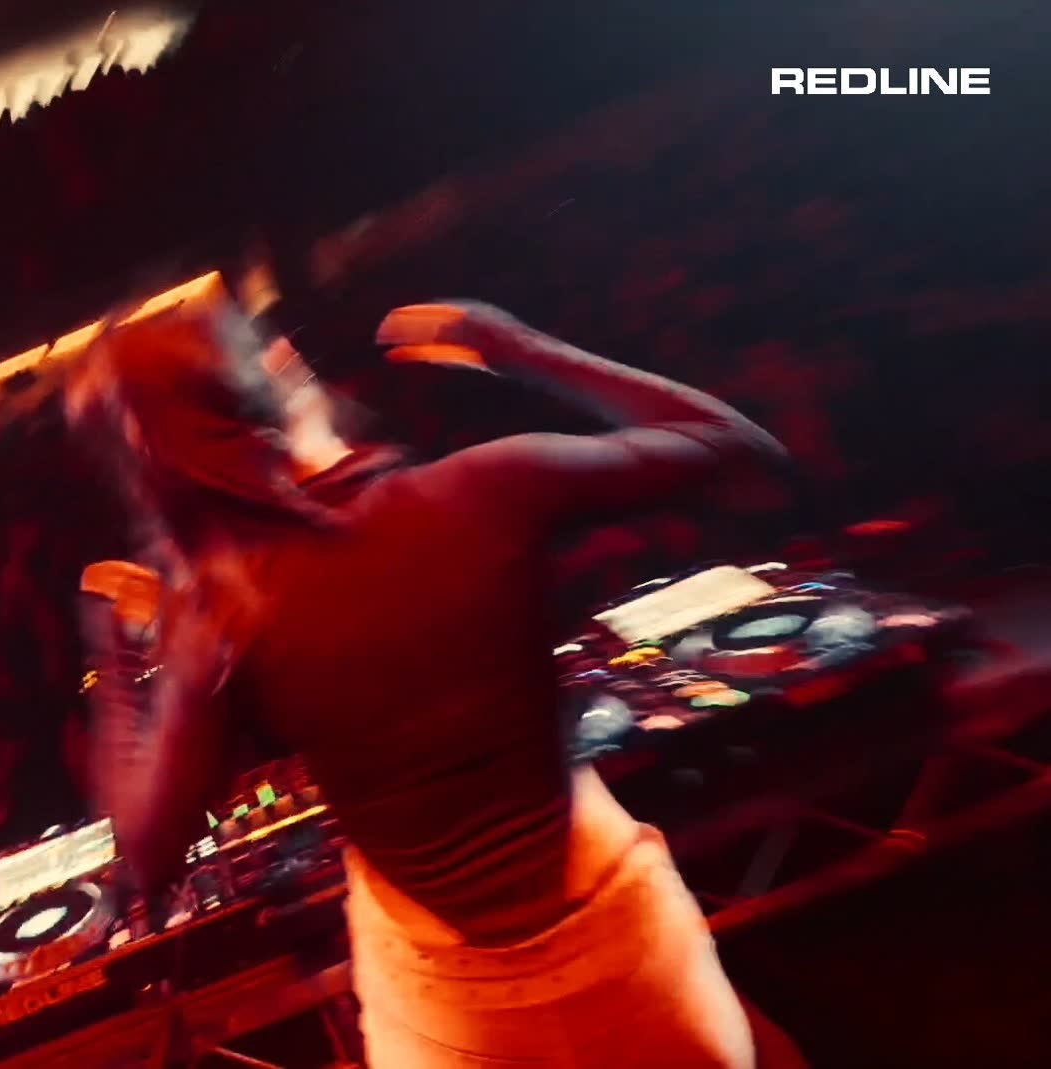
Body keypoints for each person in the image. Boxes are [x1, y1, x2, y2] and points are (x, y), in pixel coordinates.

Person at [65, 289, 805, 1067]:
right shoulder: (483, 489)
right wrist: (518, 345)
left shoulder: (219, 618)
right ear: (273, 395)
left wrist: (112, 658)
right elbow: (737, 446)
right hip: (626, 955)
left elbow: (148, 854)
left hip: (450, 1015)